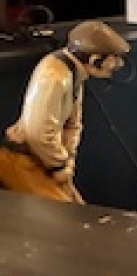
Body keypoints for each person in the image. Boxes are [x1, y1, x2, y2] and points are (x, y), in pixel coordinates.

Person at [0, 20, 129, 203]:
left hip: (44, 159)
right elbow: (38, 132)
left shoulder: (74, 73)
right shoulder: (55, 77)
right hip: (23, 160)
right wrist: (59, 165)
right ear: (95, 59)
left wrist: (67, 161)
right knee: (62, 214)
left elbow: (73, 124)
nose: (118, 64)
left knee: (75, 208)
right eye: (114, 58)